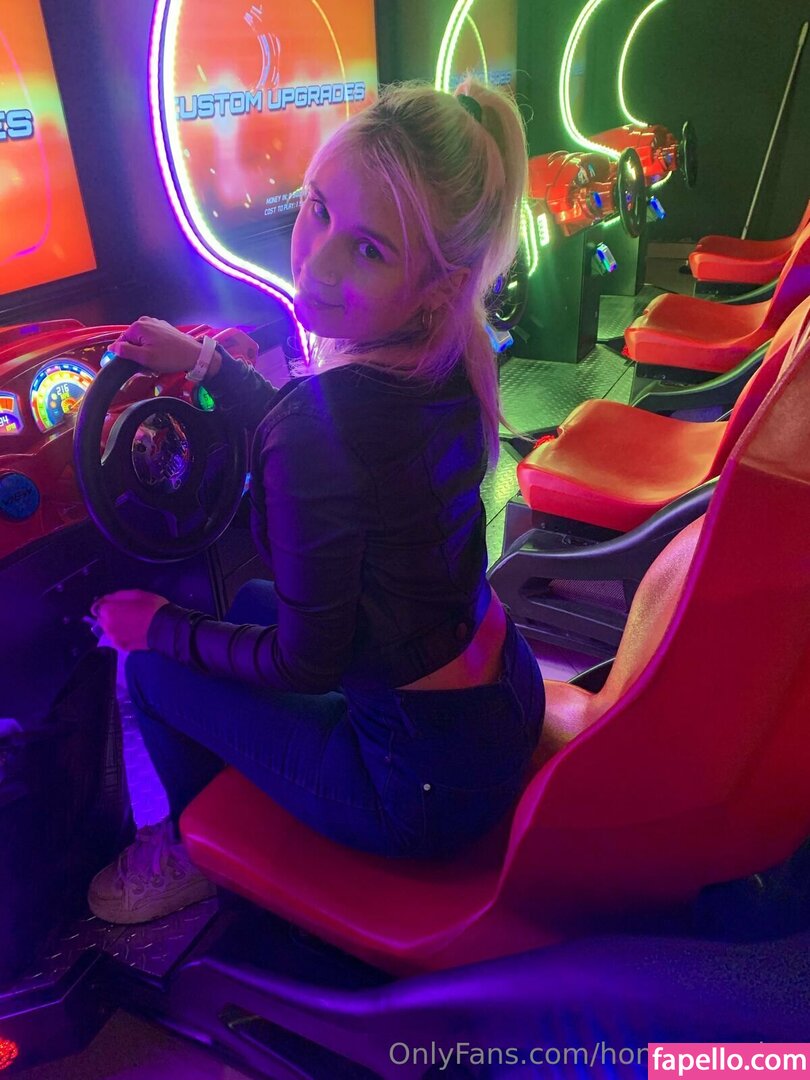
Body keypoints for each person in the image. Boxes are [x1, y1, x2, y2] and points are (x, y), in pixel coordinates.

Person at [88, 79, 545, 925]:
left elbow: (308, 665)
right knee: (238, 605)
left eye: (369, 250)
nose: (317, 263)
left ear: (434, 285)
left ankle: (192, 852)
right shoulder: (454, 353)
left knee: (151, 666)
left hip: (417, 788)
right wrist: (207, 365)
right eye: (318, 209)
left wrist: (154, 626)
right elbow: (332, 449)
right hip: (502, 702)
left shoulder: (318, 426)